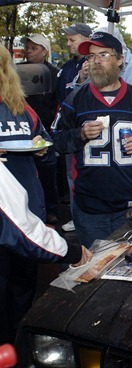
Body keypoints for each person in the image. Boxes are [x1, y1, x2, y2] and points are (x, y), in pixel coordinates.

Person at [51, 32, 132, 247]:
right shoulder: (76, 99)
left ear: (120, 59)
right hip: (90, 208)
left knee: (131, 266)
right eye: (91, 57)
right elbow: (56, 139)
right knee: (95, 269)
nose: (96, 62)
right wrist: (80, 134)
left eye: (103, 54)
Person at [0, 42, 74, 344]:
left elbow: (46, 145)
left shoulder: (22, 109)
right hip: (5, 219)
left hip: (30, 214)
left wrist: (44, 151)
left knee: (22, 289)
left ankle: (14, 347)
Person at [18, 33, 60, 225]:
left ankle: (51, 210)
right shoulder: (16, 71)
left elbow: (59, 101)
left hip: (46, 129)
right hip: (22, 130)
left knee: (47, 174)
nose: (29, 51)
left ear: (44, 51)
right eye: (27, 48)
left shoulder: (54, 73)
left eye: (34, 48)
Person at [56, 22, 94, 233]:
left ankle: (84, 216)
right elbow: (61, 97)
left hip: (89, 131)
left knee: (83, 173)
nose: (68, 44)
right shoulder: (66, 67)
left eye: (73, 39)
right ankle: (75, 214)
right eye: (67, 40)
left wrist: (83, 78)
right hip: (68, 129)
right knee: (71, 176)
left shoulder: (93, 65)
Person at [89, 26, 132, 110]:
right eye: (92, 55)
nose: (97, 60)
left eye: (103, 54)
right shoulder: (96, 64)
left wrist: (121, 113)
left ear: (120, 59)